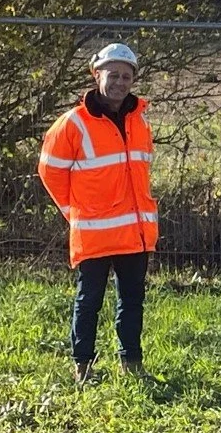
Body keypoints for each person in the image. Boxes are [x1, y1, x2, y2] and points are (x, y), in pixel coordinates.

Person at [37, 43, 159, 383]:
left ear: (133, 79)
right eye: (113, 74)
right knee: (88, 301)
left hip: (134, 233)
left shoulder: (140, 121)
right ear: (96, 75)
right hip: (94, 233)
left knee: (132, 302)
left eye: (126, 76)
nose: (120, 82)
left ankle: (132, 365)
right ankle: (83, 367)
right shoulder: (72, 123)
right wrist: (75, 212)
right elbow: (50, 171)